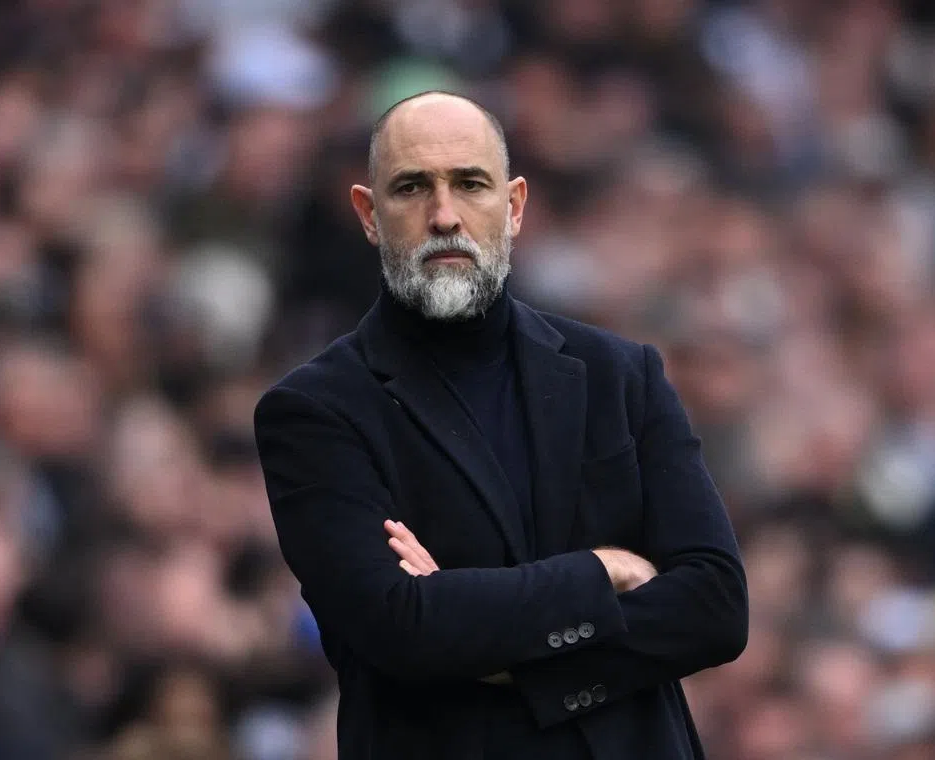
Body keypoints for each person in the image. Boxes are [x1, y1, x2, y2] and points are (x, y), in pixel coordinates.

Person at [253, 90, 748, 760]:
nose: (444, 215)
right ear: (369, 215)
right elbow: (400, 627)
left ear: (513, 206)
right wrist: (600, 571)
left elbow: (715, 608)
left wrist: (487, 638)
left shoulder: (620, 375)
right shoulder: (315, 412)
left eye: (470, 184)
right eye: (411, 188)